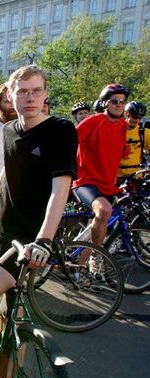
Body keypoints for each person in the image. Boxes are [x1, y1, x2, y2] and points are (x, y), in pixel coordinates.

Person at [0, 65, 77, 378]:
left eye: (36, 90)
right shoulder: (10, 129)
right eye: (23, 91)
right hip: (1, 230)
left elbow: (61, 190)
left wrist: (44, 239)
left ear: (46, 95)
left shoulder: (60, 130)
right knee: (11, 311)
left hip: (29, 240)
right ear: (11, 95)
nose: (29, 97)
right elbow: (7, 173)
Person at [73, 84, 129, 261]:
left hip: (107, 185)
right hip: (85, 181)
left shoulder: (122, 125)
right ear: (105, 103)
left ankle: (80, 267)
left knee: (99, 223)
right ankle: (98, 256)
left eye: (122, 101)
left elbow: (120, 153)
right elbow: (69, 142)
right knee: (104, 211)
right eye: (114, 101)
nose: (119, 104)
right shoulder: (93, 121)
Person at [118, 101, 149, 178]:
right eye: (134, 117)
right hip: (117, 177)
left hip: (137, 178)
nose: (137, 120)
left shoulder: (144, 132)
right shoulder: (115, 131)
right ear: (127, 114)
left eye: (140, 117)